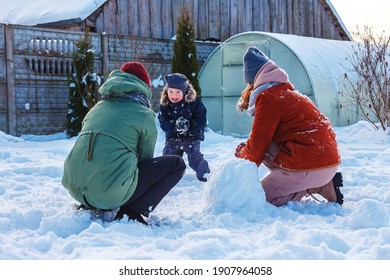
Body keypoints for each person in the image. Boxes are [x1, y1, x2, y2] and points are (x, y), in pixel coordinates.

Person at [62, 62, 186, 225]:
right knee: (177, 164)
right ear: (143, 87)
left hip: (76, 189)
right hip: (107, 194)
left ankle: (94, 197)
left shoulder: (96, 108)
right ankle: (132, 211)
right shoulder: (143, 113)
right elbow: (145, 161)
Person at [234, 46, 344, 207]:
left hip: (309, 166)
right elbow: (261, 144)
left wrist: (240, 165)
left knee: (255, 200)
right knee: (259, 146)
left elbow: (257, 146)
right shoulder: (287, 93)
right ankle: (322, 183)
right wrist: (247, 150)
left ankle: (318, 186)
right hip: (327, 164)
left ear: (253, 80)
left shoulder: (268, 98)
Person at [158, 73, 210, 182]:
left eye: (178, 92)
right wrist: (174, 126)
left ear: (185, 92)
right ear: (166, 91)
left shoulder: (194, 102)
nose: (174, 95)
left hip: (191, 137)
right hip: (173, 138)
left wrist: (190, 125)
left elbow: (201, 118)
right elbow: (163, 122)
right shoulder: (165, 104)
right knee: (168, 157)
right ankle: (165, 177)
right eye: (170, 91)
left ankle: (205, 175)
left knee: (195, 158)